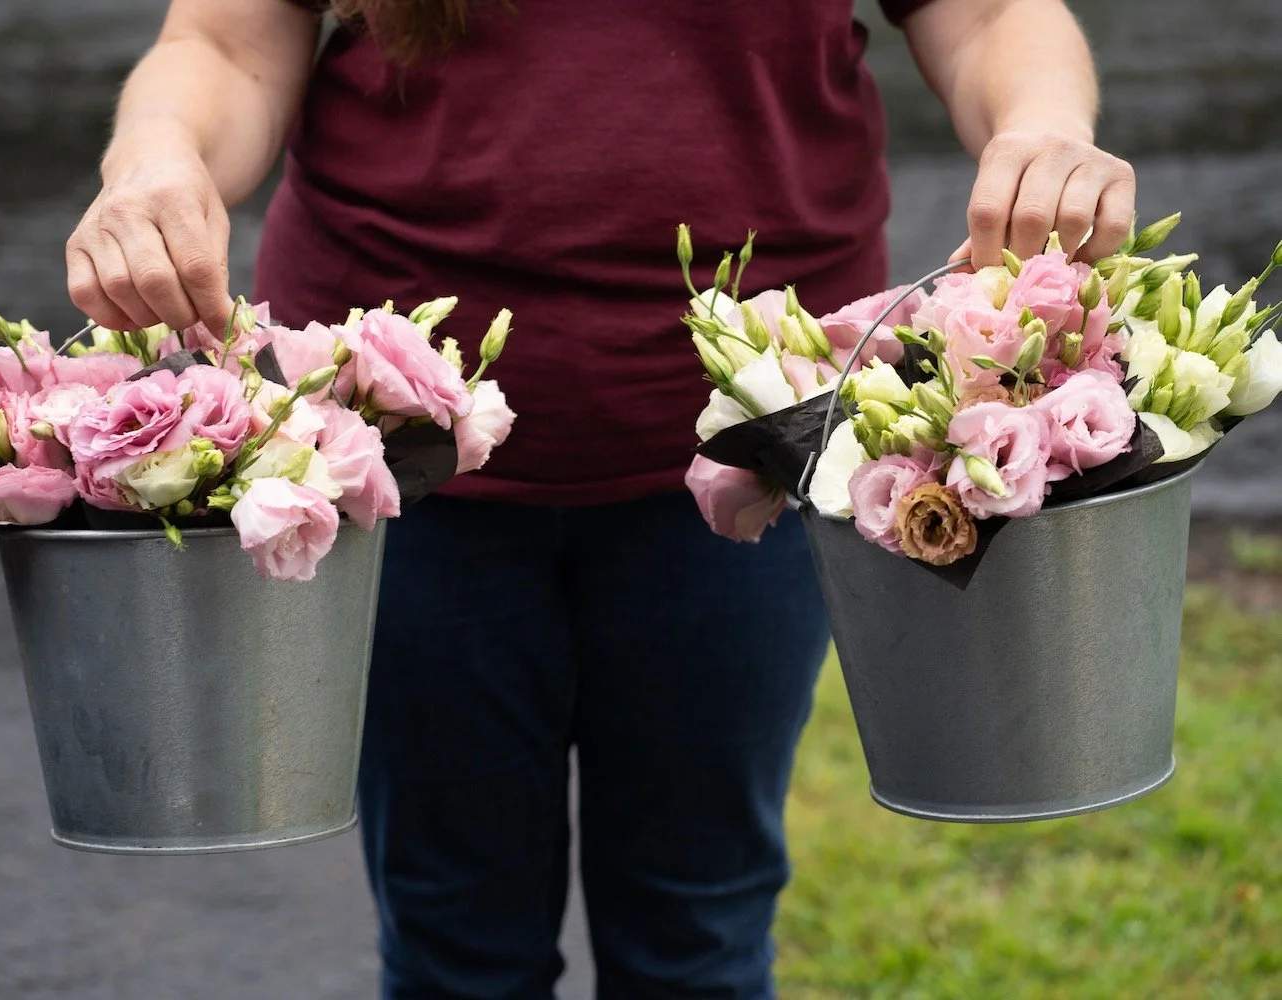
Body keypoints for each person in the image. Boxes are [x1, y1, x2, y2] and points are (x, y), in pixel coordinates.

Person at [66, 1, 1135, 996]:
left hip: (755, 446)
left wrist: (1042, 124)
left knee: (700, 936)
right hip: (391, 457)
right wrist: (157, 154)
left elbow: (991, 15)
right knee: (453, 942)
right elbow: (230, 44)